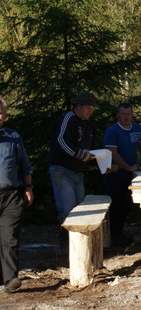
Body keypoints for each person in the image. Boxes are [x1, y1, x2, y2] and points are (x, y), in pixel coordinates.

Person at [104, 103, 141, 247]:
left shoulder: (137, 128)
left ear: (132, 114)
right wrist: (128, 167)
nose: (126, 117)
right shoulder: (112, 131)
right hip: (115, 173)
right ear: (118, 115)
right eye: (123, 114)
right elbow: (113, 153)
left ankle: (120, 234)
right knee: (116, 206)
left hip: (131, 174)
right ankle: (114, 237)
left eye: (128, 113)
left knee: (126, 205)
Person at [0, 97, 33, 293]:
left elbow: (24, 165)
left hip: (11, 195)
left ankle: (11, 279)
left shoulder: (13, 136)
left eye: (1, 112)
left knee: (10, 238)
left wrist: (28, 187)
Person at [49, 91, 98, 225]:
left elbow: (92, 148)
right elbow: (60, 140)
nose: (90, 112)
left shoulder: (88, 124)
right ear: (79, 106)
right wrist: (79, 154)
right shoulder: (68, 118)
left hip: (78, 172)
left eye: (92, 109)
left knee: (79, 208)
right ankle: (65, 237)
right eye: (88, 108)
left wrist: (101, 160)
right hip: (62, 170)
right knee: (67, 209)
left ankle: (76, 237)